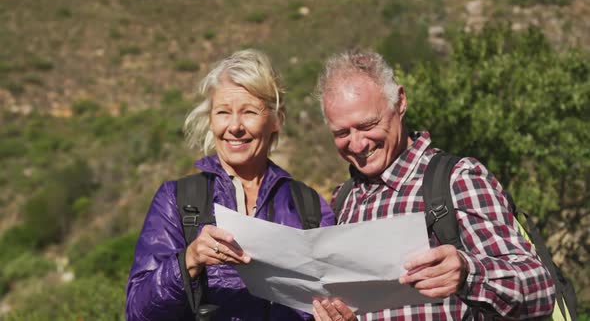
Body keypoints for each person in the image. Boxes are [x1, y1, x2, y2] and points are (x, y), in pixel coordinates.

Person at [311, 50, 556, 320]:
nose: (357, 144)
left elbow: (540, 289)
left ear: (400, 102)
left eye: (368, 125)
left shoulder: (456, 179)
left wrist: (467, 272)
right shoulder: (343, 201)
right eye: (342, 133)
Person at [126, 49, 335, 321]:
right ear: (211, 120)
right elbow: (137, 312)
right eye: (223, 112)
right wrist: (189, 260)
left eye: (249, 112)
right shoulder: (177, 200)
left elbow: (332, 298)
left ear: (275, 120)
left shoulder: (308, 206)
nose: (234, 126)